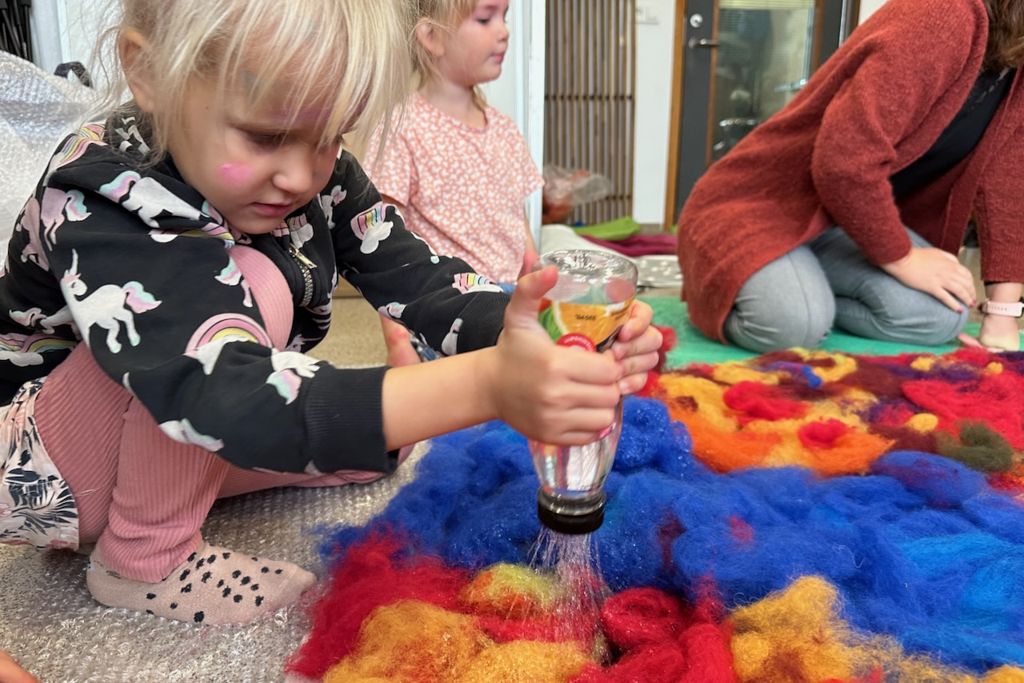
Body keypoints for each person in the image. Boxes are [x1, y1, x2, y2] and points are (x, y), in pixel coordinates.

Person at [0, 0, 662, 626]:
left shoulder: (322, 174)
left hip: (163, 424)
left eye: (330, 136)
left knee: (377, 438)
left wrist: (541, 332)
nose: (301, 176)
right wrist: (489, 384)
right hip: (39, 461)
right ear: (148, 73)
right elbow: (217, 385)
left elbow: (421, 280)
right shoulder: (102, 191)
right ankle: (145, 558)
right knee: (254, 284)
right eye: (266, 135)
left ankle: (194, 480)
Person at [677, 0, 1024, 354]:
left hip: (845, 222)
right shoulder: (942, 13)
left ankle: (804, 291)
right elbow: (845, 158)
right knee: (793, 324)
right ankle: (740, 288)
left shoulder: (1017, 53)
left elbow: (1009, 187)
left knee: (942, 316)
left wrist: (1003, 314)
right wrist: (903, 259)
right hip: (761, 208)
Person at [364, 0, 543, 365]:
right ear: (432, 36)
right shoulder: (402, 127)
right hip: (444, 313)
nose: (504, 31)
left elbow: (518, 219)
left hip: (509, 306)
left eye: (505, 17)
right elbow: (381, 245)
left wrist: (534, 274)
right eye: (485, 18)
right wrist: (397, 342)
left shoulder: (505, 129)